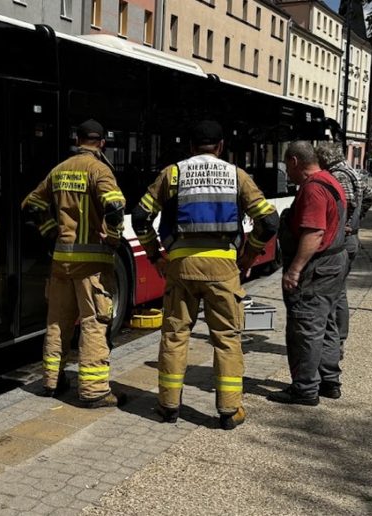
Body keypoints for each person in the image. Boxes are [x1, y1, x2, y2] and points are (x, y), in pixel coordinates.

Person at [132, 121, 278, 430]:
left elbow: (142, 217)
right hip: (224, 268)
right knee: (226, 338)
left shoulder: (172, 174)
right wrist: (249, 254)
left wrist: (156, 256)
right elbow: (269, 220)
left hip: (181, 266)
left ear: (190, 146)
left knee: (174, 335)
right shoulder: (237, 175)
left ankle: (168, 406)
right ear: (221, 146)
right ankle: (228, 411)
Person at [21, 119, 125, 408]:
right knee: (93, 323)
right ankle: (94, 391)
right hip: (91, 265)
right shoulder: (98, 169)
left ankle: (51, 382)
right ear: (102, 142)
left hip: (60, 261)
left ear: (77, 139)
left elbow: (32, 204)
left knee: (57, 321)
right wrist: (113, 237)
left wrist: (50, 231)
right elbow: (115, 206)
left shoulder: (59, 170)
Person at [267, 141, 348, 406]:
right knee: (327, 325)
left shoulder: (312, 189)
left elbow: (314, 232)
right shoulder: (331, 180)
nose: (286, 173)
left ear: (294, 161)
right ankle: (329, 382)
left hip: (317, 268)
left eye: (286, 166)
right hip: (334, 263)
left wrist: (294, 270)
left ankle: (304, 389)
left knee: (306, 328)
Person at [316, 143, 372, 395]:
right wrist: (359, 220)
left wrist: (347, 224)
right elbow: (369, 195)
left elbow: (346, 202)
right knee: (339, 291)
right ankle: (337, 339)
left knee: (337, 293)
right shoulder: (353, 171)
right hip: (352, 237)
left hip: (345, 239)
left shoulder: (338, 175)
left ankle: (337, 340)